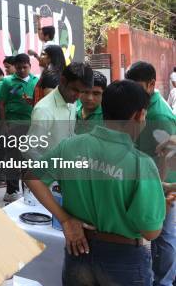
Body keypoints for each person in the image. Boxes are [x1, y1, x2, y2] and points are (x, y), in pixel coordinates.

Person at [25, 80, 166, 286]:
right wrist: (164, 204)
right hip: (124, 260)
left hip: (79, 251)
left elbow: (31, 177)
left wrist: (65, 220)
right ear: (139, 115)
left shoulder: (70, 146)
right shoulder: (141, 164)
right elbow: (150, 231)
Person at [126, 61, 176, 286]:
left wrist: (157, 191)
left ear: (151, 84)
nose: (132, 92)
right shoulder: (143, 104)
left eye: (136, 87)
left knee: (164, 236)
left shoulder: (159, 115)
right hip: (151, 179)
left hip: (163, 184)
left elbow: (166, 157)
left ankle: (164, 281)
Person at [0, 53, 38, 202]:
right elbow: (1, 103)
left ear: (30, 66)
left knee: (29, 160)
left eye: (24, 67)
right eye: (19, 67)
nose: (21, 70)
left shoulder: (37, 82)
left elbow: (40, 103)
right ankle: (12, 191)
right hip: (13, 126)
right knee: (13, 160)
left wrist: (32, 101)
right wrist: (4, 124)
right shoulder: (8, 82)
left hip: (31, 127)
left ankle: (29, 190)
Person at [28, 62, 93, 154]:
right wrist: (48, 167)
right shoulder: (44, 110)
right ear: (63, 81)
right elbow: (29, 148)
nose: (78, 96)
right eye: (75, 90)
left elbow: (67, 134)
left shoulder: (71, 101)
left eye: (83, 92)